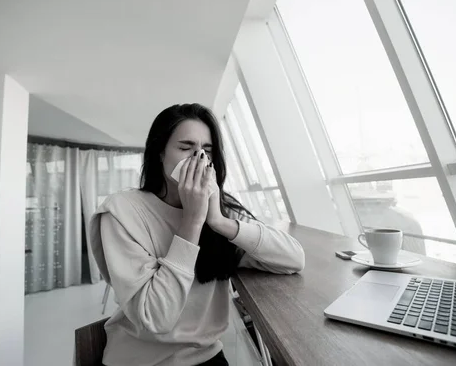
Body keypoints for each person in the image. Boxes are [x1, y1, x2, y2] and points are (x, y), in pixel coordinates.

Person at [89, 103, 305, 366]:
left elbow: (294, 259)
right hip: (141, 360)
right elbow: (156, 318)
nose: (199, 158)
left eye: (208, 150)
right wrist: (192, 220)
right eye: (185, 147)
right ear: (159, 153)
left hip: (205, 355)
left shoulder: (218, 206)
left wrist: (218, 221)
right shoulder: (121, 211)